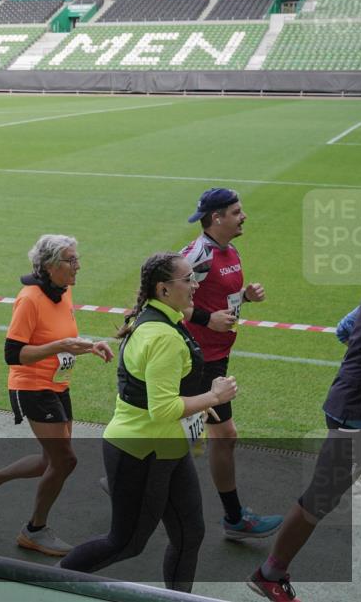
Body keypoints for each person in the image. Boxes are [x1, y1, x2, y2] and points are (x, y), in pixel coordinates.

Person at [60, 252, 238, 592]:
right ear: (164, 289)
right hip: (141, 452)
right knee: (126, 543)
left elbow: (164, 397)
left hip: (166, 448)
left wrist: (199, 406)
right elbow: (163, 408)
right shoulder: (163, 336)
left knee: (190, 533)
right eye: (187, 279)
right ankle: (47, 583)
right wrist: (213, 397)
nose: (195, 284)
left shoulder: (162, 317)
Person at [0, 235, 113, 556]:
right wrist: (59, 347)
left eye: (77, 258)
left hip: (58, 384)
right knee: (65, 460)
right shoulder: (29, 299)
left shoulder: (63, 291)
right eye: (71, 260)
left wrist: (90, 346)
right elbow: (13, 353)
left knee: (51, 460)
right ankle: (34, 530)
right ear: (49, 266)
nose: (78, 265)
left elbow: (61, 339)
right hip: (32, 386)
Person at [247, 291, 361, 601]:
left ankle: (270, 574)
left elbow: (345, 329)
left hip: (348, 405)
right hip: (359, 416)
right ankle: (269, 575)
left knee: (322, 497)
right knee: (321, 498)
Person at [181, 188, 282, 539]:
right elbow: (165, 297)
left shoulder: (230, 250)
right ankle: (234, 517)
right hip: (196, 359)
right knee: (216, 435)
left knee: (206, 435)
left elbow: (219, 298)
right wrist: (208, 320)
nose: (244, 217)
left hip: (218, 356)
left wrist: (244, 298)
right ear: (216, 218)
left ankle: (125, 478)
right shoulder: (198, 255)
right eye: (237, 212)